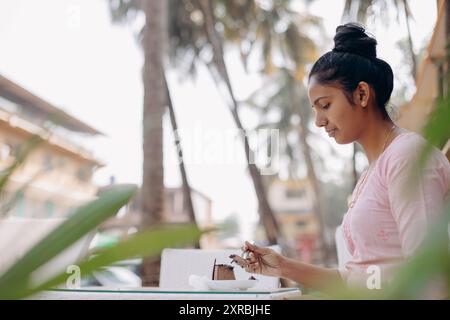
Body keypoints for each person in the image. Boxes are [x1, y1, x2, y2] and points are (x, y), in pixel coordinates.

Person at [237, 23, 450, 296]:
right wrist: (282, 267)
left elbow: (430, 278)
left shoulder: (405, 157)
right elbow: (357, 279)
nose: (318, 121)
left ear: (362, 94)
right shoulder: (374, 171)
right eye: (315, 109)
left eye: (325, 105)